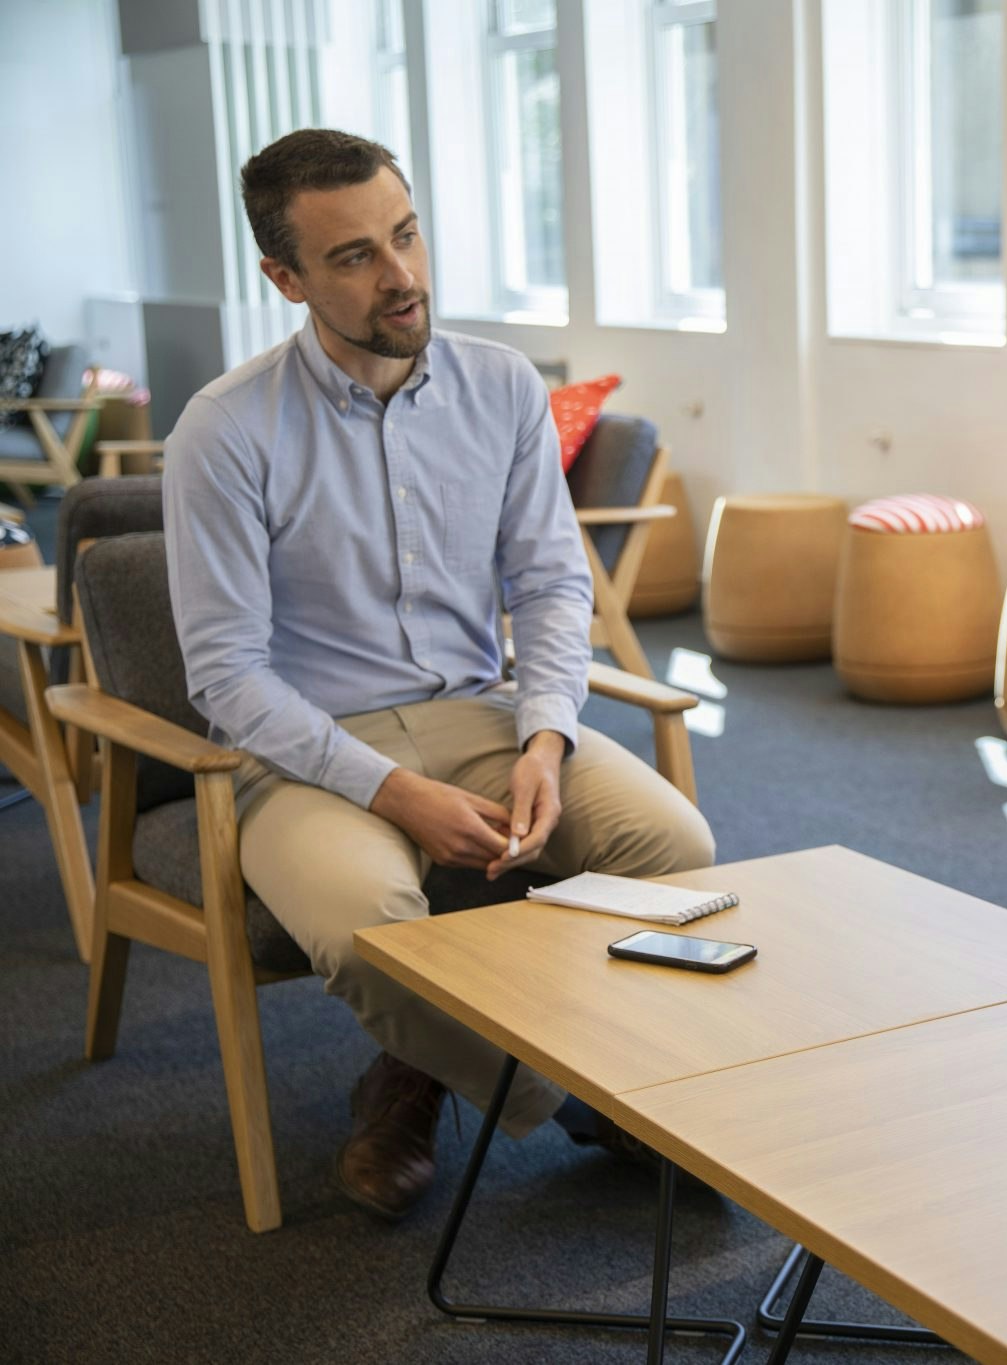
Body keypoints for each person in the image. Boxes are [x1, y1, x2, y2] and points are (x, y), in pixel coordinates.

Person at [163, 128, 716, 1221]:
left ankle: (419, 1065)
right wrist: (394, 793)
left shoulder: (502, 387)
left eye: (405, 235)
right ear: (286, 278)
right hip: (306, 750)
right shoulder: (222, 431)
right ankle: (586, 1100)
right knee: (371, 913)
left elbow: (553, 587)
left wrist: (547, 736)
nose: (401, 276)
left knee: (674, 846)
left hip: (481, 713)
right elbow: (226, 677)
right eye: (355, 256)